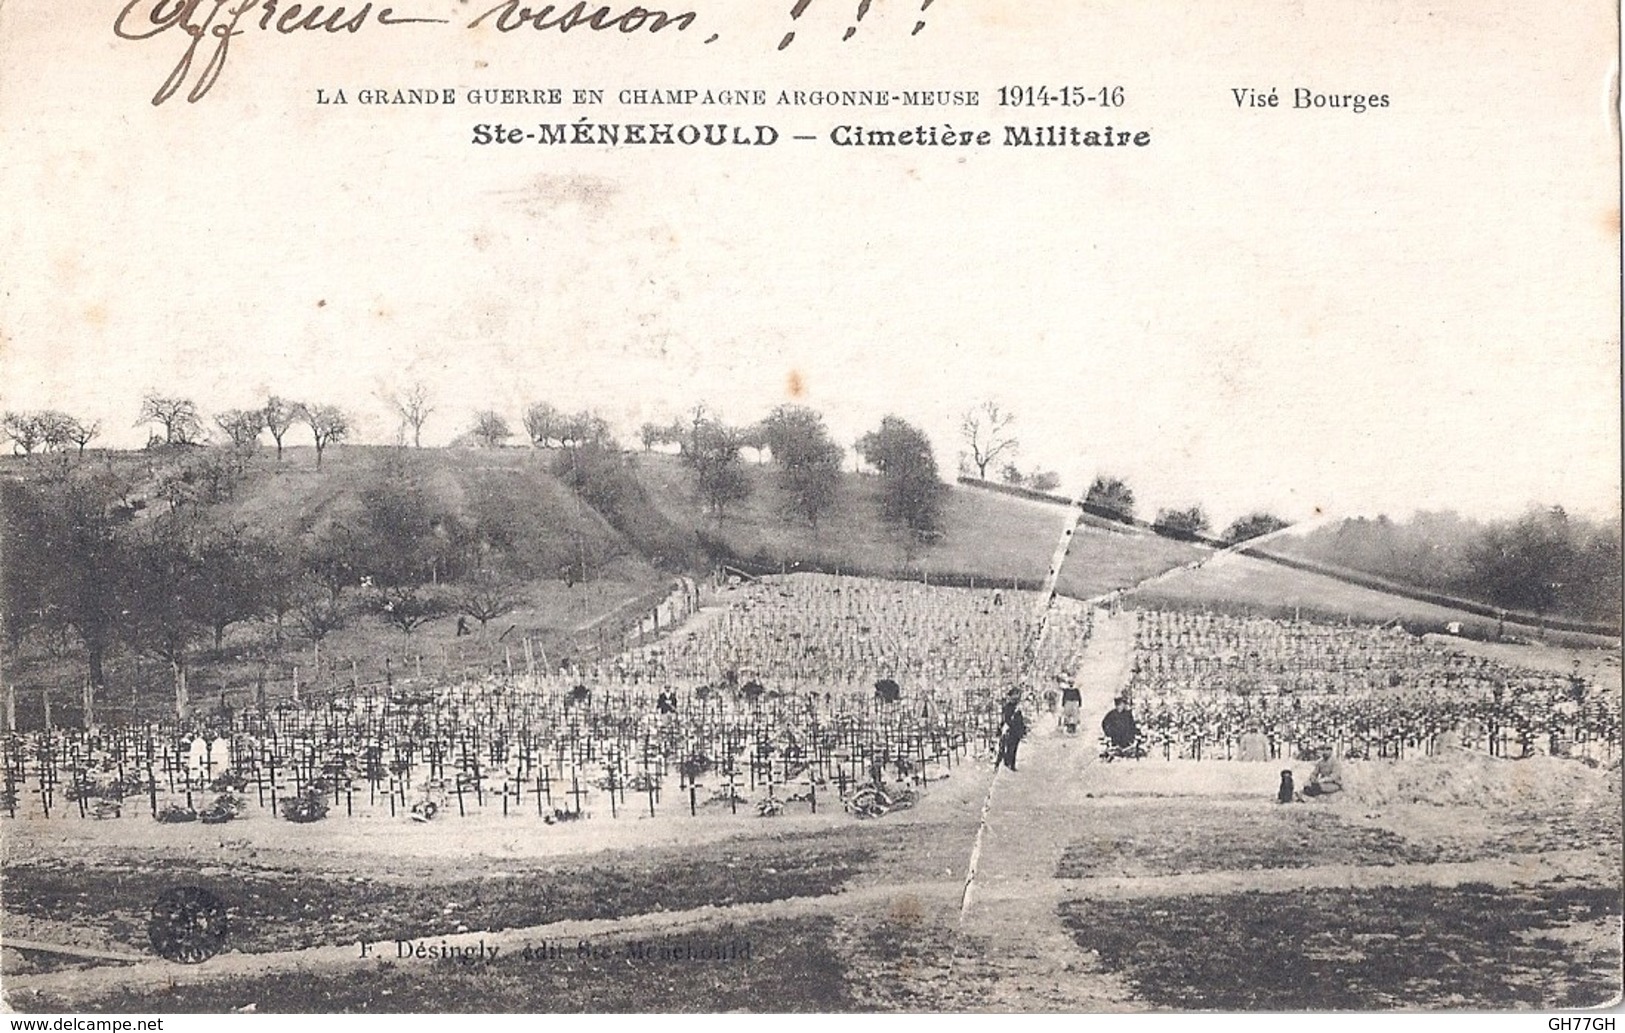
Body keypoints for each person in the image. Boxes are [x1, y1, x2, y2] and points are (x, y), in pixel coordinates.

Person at [997, 693, 1027, 771]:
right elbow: (1008, 719)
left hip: (1015, 730)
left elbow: (1020, 720)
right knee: (1011, 748)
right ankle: (1010, 763)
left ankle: (1009, 762)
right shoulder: (1010, 708)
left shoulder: (1014, 708)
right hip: (1012, 730)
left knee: (1012, 748)